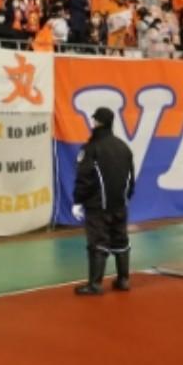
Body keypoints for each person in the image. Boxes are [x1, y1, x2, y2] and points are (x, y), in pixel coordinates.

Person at [71, 107, 135, 296]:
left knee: (97, 242)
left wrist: (78, 200)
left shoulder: (91, 148)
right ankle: (123, 280)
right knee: (121, 240)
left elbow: (84, 177)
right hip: (120, 205)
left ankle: (95, 284)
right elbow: (131, 178)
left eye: (94, 120)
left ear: (98, 122)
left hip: (98, 206)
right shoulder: (124, 147)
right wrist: (125, 198)